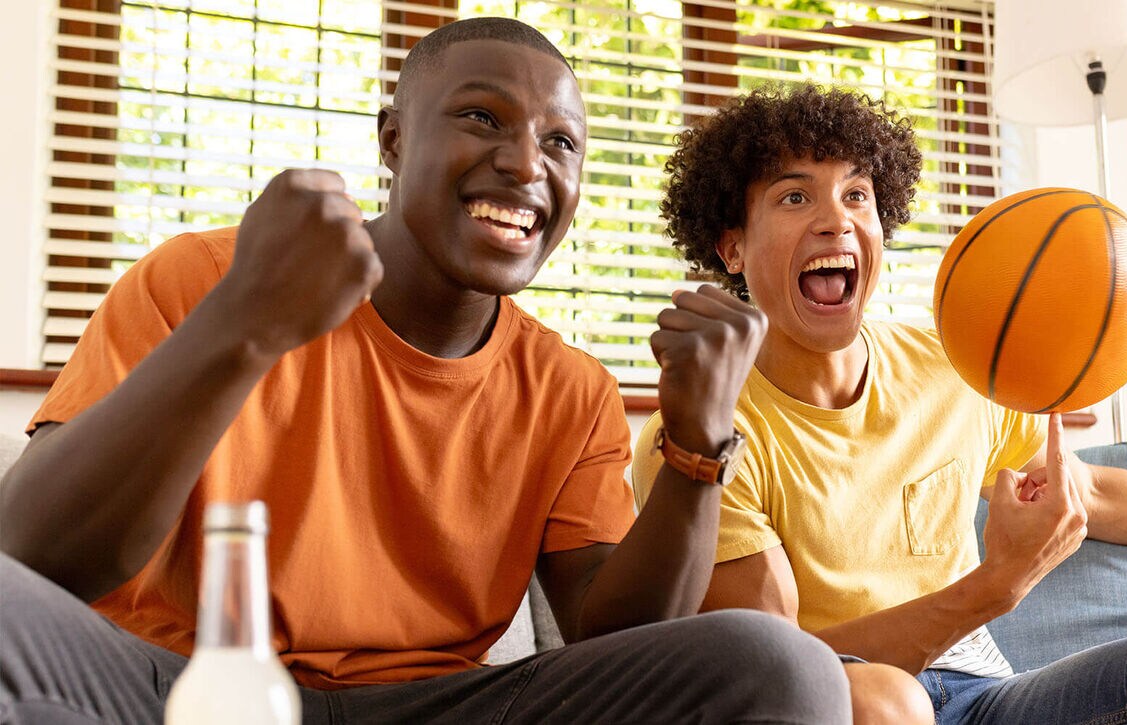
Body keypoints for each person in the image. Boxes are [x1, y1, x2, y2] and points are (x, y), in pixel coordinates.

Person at [0, 20, 854, 724]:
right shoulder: (204, 278)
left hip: (431, 708)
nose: (527, 164)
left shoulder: (570, 389)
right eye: (483, 119)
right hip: (176, 689)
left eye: (561, 142)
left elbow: (612, 637)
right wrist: (243, 323)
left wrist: (700, 443)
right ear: (393, 139)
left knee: (784, 667)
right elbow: (30, 555)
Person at [633, 84, 1127, 725]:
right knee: (888, 700)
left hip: (991, 695)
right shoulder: (701, 431)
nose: (837, 219)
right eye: (795, 196)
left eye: (856, 193)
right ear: (731, 246)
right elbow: (779, 669)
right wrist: (996, 585)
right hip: (859, 697)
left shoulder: (954, 362)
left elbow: (1089, 491)